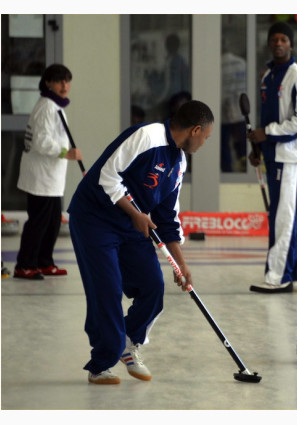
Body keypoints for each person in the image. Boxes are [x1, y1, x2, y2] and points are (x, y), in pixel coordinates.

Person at [67, 100, 214, 384]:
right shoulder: (146, 137)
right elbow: (105, 176)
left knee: (152, 286)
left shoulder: (179, 161)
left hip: (131, 225)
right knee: (107, 292)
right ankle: (101, 364)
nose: (203, 143)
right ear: (195, 130)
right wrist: (135, 213)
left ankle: (126, 343)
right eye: (205, 137)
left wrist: (181, 265)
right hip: (94, 219)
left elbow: (167, 216)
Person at [247, 21, 297, 294]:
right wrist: (258, 148)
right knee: (284, 216)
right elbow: (264, 119)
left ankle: (278, 277)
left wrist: (269, 133)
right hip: (272, 156)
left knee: (282, 218)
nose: (278, 43)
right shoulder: (267, 76)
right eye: (274, 39)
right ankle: (296, 276)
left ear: (291, 44)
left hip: (290, 158)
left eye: (283, 39)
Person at [13, 64, 83, 280]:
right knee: (38, 222)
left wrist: (66, 153)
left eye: (67, 80)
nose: (64, 85)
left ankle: (44, 262)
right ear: (48, 83)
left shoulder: (56, 106)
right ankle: (24, 265)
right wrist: (66, 152)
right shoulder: (46, 107)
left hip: (52, 179)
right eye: (59, 80)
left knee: (52, 221)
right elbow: (40, 142)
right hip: (41, 177)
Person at [220, 42, 247, 172]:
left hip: (222, 114)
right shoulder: (241, 63)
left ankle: (227, 172)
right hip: (241, 111)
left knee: (223, 146)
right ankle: (244, 170)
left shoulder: (217, 64)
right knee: (242, 146)